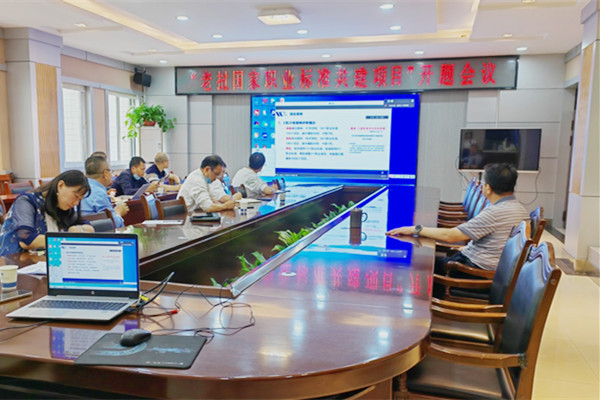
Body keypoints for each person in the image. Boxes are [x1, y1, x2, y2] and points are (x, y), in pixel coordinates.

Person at [386, 163, 528, 273]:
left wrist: (416, 229)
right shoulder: (521, 210)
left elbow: (451, 236)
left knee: (417, 264)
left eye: (483, 184)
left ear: (488, 188)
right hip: (487, 265)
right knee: (427, 257)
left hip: (473, 270)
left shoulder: (495, 213)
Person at [0, 170, 93, 256]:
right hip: (14, 261)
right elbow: (25, 240)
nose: (76, 203)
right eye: (75, 196)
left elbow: (88, 226)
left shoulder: (62, 206)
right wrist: (66, 238)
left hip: (42, 261)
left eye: (80, 199)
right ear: (60, 186)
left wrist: (78, 230)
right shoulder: (26, 201)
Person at [80, 155, 129, 228]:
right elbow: (113, 224)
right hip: (96, 233)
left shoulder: (81, 188)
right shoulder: (99, 193)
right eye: (110, 171)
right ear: (105, 173)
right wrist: (119, 212)